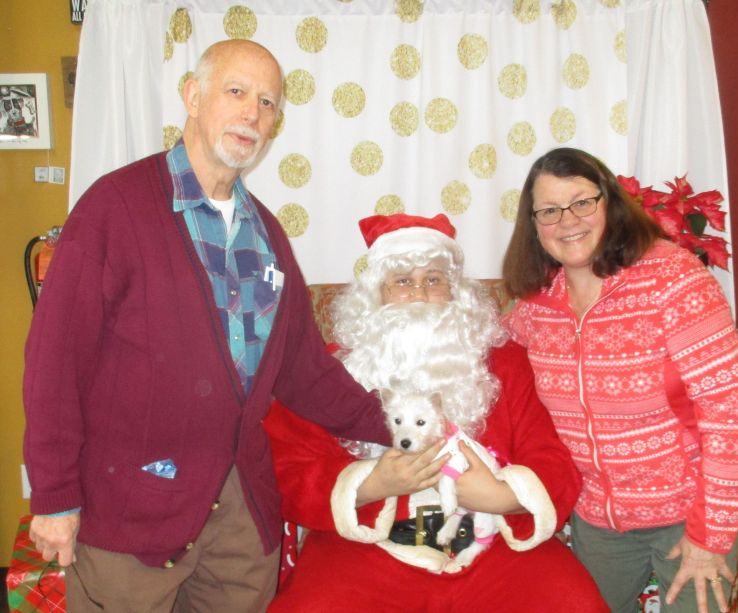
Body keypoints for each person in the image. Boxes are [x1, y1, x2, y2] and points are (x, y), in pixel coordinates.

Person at [22, 40, 389, 612]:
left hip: (239, 519)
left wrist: (395, 424)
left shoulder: (266, 233)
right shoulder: (114, 209)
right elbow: (54, 362)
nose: (252, 114)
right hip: (130, 512)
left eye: (268, 103)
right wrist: (54, 494)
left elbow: (304, 371)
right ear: (193, 96)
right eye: (236, 92)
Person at [264, 213, 609, 612]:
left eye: (433, 280)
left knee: (574, 605)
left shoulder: (505, 362)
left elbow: (553, 457)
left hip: (493, 543)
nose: (419, 294)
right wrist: (371, 484)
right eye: (403, 282)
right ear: (376, 294)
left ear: (455, 292)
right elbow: (285, 467)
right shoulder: (331, 370)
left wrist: (504, 496)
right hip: (369, 549)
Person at [502, 147, 738, 613]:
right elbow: (490, 354)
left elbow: (731, 414)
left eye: (583, 202)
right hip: (598, 519)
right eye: (550, 210)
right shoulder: (537, 307)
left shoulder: (673, 279)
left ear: (610, 202)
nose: (568, 221)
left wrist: (711, 533)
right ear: (534, 225)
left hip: (689, 512)